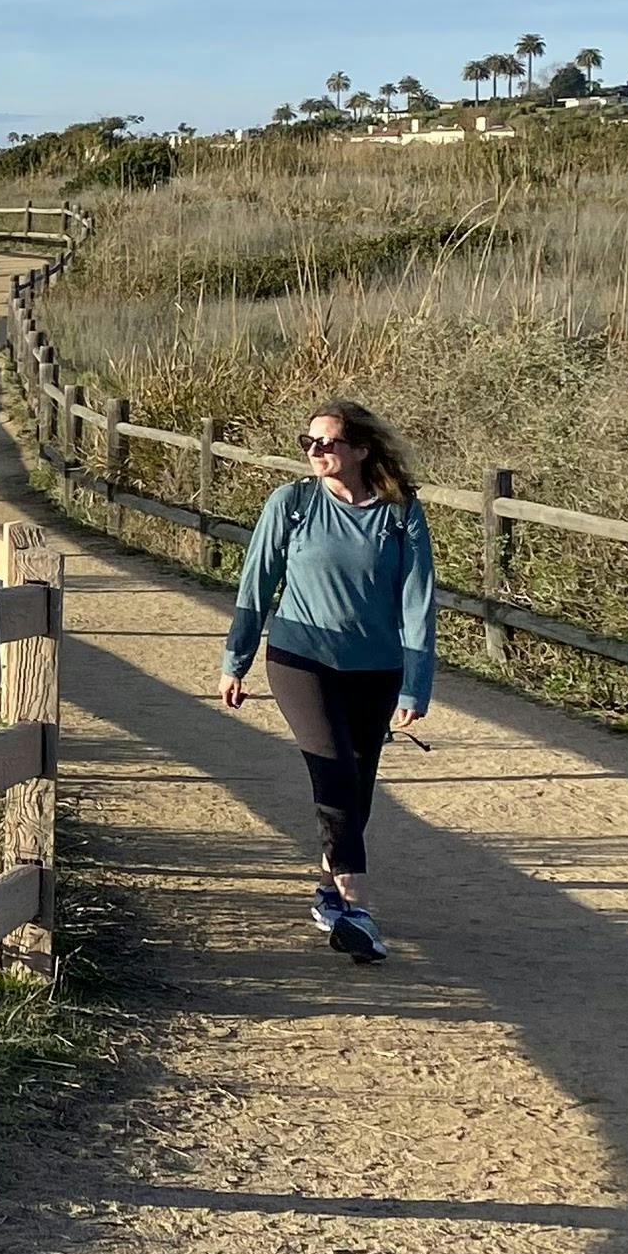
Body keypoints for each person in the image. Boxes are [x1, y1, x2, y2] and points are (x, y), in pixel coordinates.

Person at [218, 399, 436, 964]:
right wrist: (235, 659)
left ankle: (328, 892)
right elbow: (256, 583)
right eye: (308, 442)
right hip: (300, 658)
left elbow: (417, 602)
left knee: (359, 782)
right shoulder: (291, 503)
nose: (315, 451)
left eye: (328, 442)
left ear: (361, 450)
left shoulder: (400, 512)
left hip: (377, 667)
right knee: (335, 770)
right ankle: (356, 908)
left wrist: (416, 683)